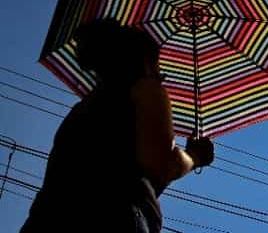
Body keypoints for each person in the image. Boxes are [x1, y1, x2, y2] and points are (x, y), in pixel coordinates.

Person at [20, 20, 214, 233]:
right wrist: (195, 157)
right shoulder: (145, 88)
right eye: (159, 69)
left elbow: (137, 177)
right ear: (146, 62)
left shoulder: (82, 110)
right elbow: (161, 165)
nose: (160, 77)